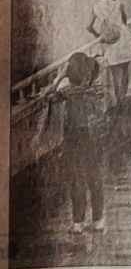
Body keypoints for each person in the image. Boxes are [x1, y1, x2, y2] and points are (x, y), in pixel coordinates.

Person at [48, 52, 106, 234]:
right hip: (94, 137)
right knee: (95, 177)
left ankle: (78, 222)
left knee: (76, 178)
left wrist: (59, 77)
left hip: (74, 135)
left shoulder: (67, 92)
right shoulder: (97, 91)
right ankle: (98, 220)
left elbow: (48, 96)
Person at [87, 0, 131, 110]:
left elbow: (88, 26)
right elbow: (124, 22)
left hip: (109, 41)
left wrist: (99, 36)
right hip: (122, 38)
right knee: (124, 70)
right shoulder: (119, 4)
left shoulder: (96, 7)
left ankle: (116, 101)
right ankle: (123, 99)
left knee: (113, 72)